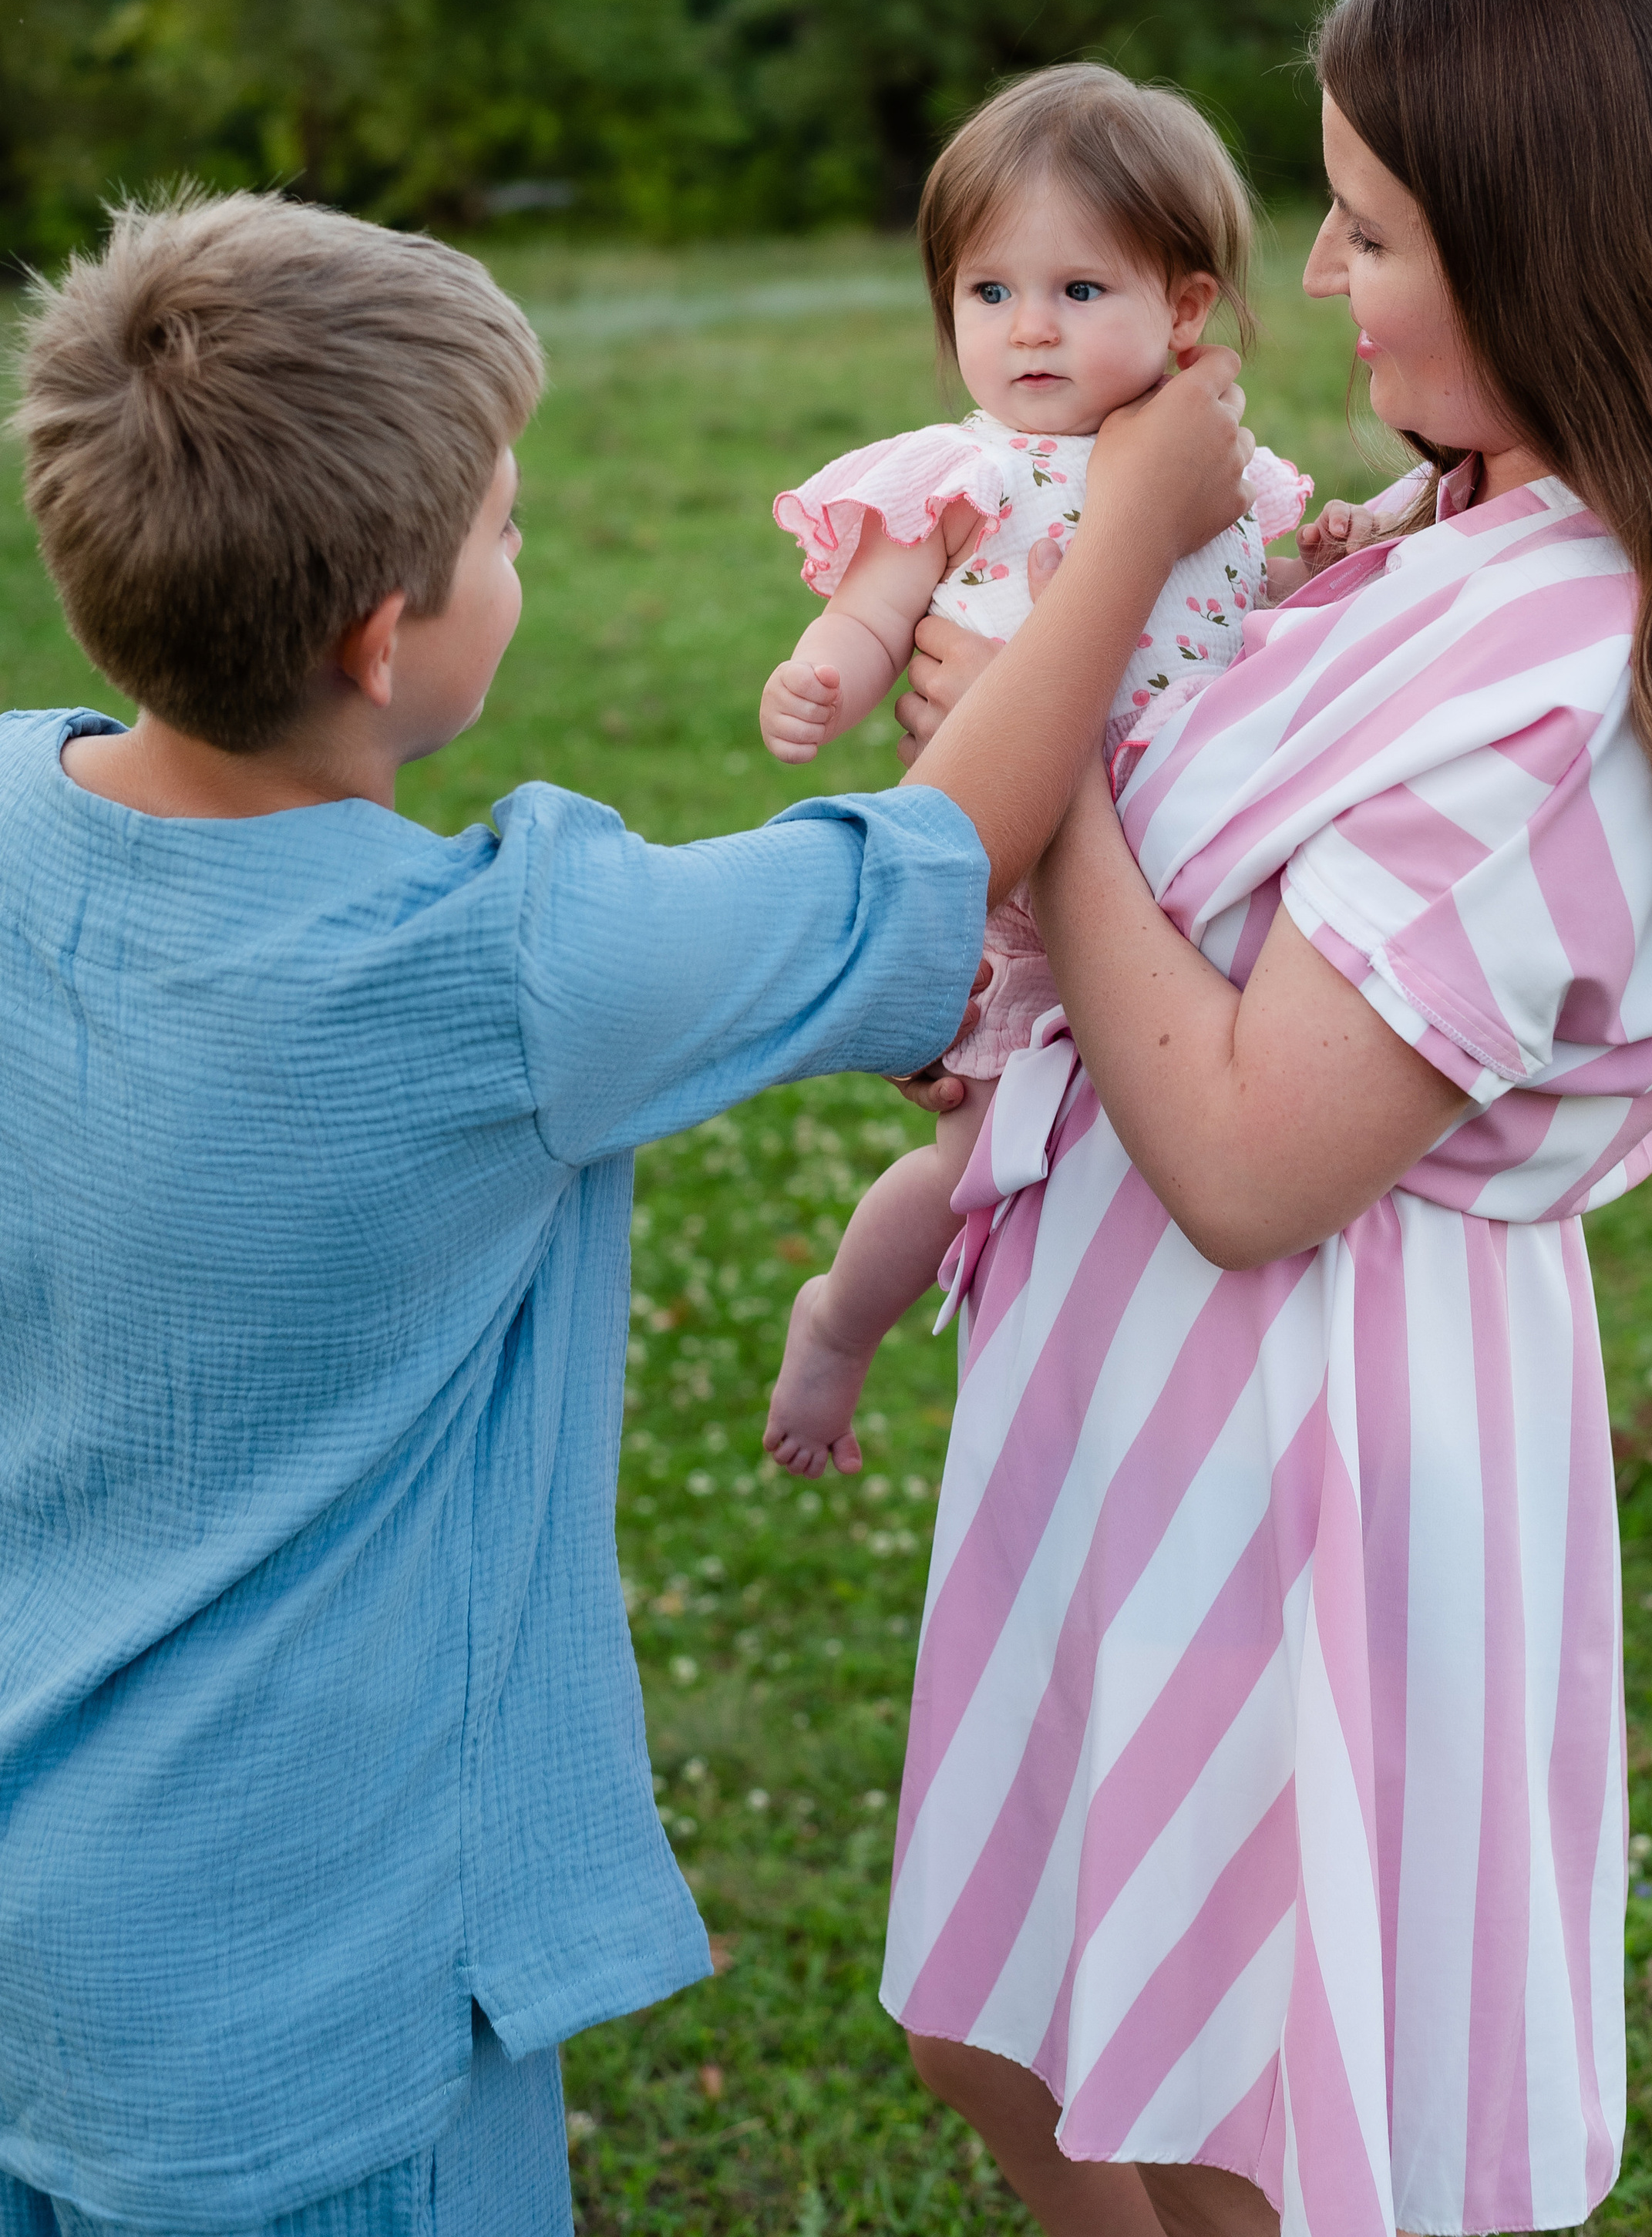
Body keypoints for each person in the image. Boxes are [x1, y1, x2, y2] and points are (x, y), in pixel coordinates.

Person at [0, 189, 1250, 2237]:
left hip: (38, 1932)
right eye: (505, 528)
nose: (525, 553)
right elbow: (932, 854)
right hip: (330, 2002)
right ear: (383, 637)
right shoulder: (508, 972)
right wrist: (1133, 528)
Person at [880, 0, 1652, 2237]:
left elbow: (1252, 1161)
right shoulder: (1457, 519)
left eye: (1372, 225)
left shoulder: (1575, 686)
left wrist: (1048, 764)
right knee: (1012, 2036)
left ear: (1553, 261)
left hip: (1299, 1435)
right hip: (1142, 1390)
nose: (1317, 274)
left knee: (1224, 2110)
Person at [759, 63, 1361, 1477]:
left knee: (1148, 1121)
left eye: (1079, 290)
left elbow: (1245, 604)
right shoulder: (965, 474)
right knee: (977, 1156)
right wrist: (826, 674)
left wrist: (1317, 565)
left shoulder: (1223, 471)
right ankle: (840, 1318)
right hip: (1014, 880)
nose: (1028, 327)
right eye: (990, 292)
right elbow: (877, 613)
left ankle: (1139, 1369)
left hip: (1174, 876)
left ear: (1186, 307)